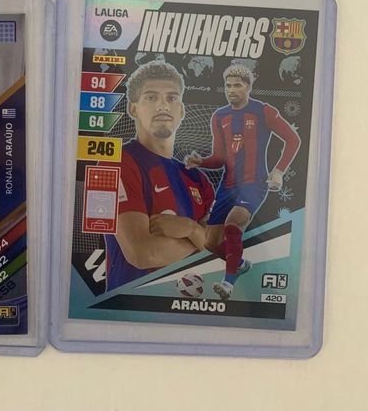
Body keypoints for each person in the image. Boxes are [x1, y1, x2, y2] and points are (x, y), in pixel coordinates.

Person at [185, 64, 301, 300]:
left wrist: (279, 171)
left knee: (232, 225)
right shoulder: (219, 116)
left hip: (254, 183)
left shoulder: (264, 111)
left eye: (237, 85)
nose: (231, 90)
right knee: (210, 243)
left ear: (248, 87)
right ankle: (240, 264)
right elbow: (220, 158)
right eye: (228, 86)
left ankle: (228, 283)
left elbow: (293, 139)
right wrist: (201, 161)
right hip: (227, 186)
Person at [105, 61, 214, 291]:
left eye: (171, 98)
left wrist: (191, 229)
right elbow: (143, 253)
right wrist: (199, 239)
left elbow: (220, 250)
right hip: (129, 305)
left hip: (189, 304)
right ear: (133, 109)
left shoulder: (198, 180)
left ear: (181, 110)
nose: (163, 105)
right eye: (151, 97)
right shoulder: (117, 163)